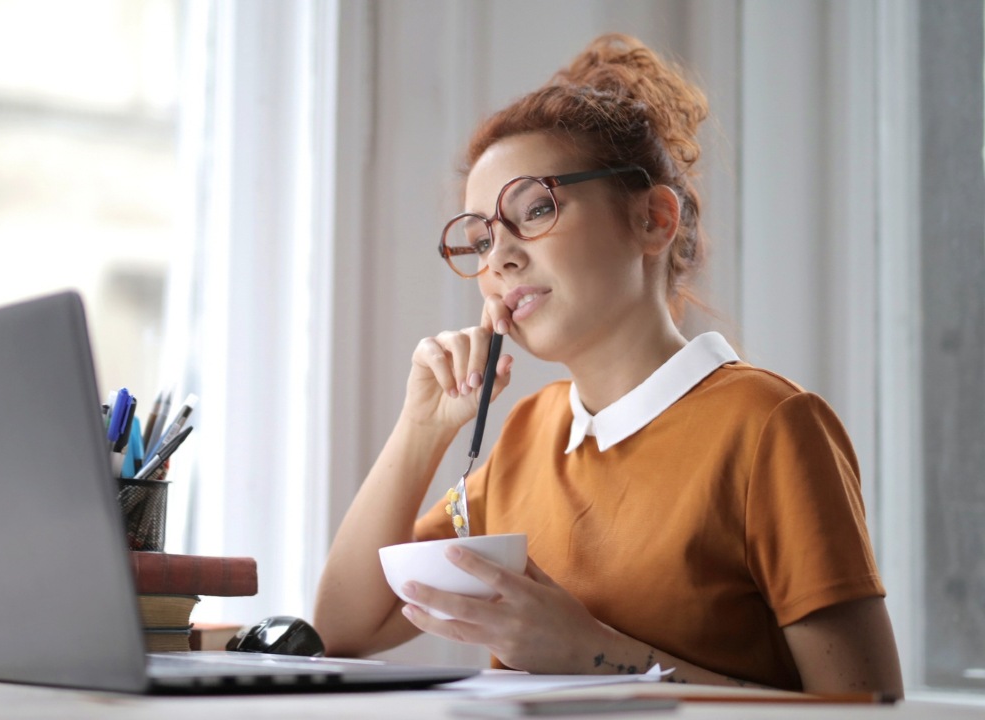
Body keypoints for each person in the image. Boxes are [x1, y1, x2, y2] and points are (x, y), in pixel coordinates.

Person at [313, 33, 903, 695]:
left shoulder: (771, 427)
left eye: (535, 208)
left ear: (653, 219)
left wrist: (600, 654)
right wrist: (422, 427)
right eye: (482, 237)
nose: (498, 260)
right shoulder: (525, 437)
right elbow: (343, 629)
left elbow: (865, 709)